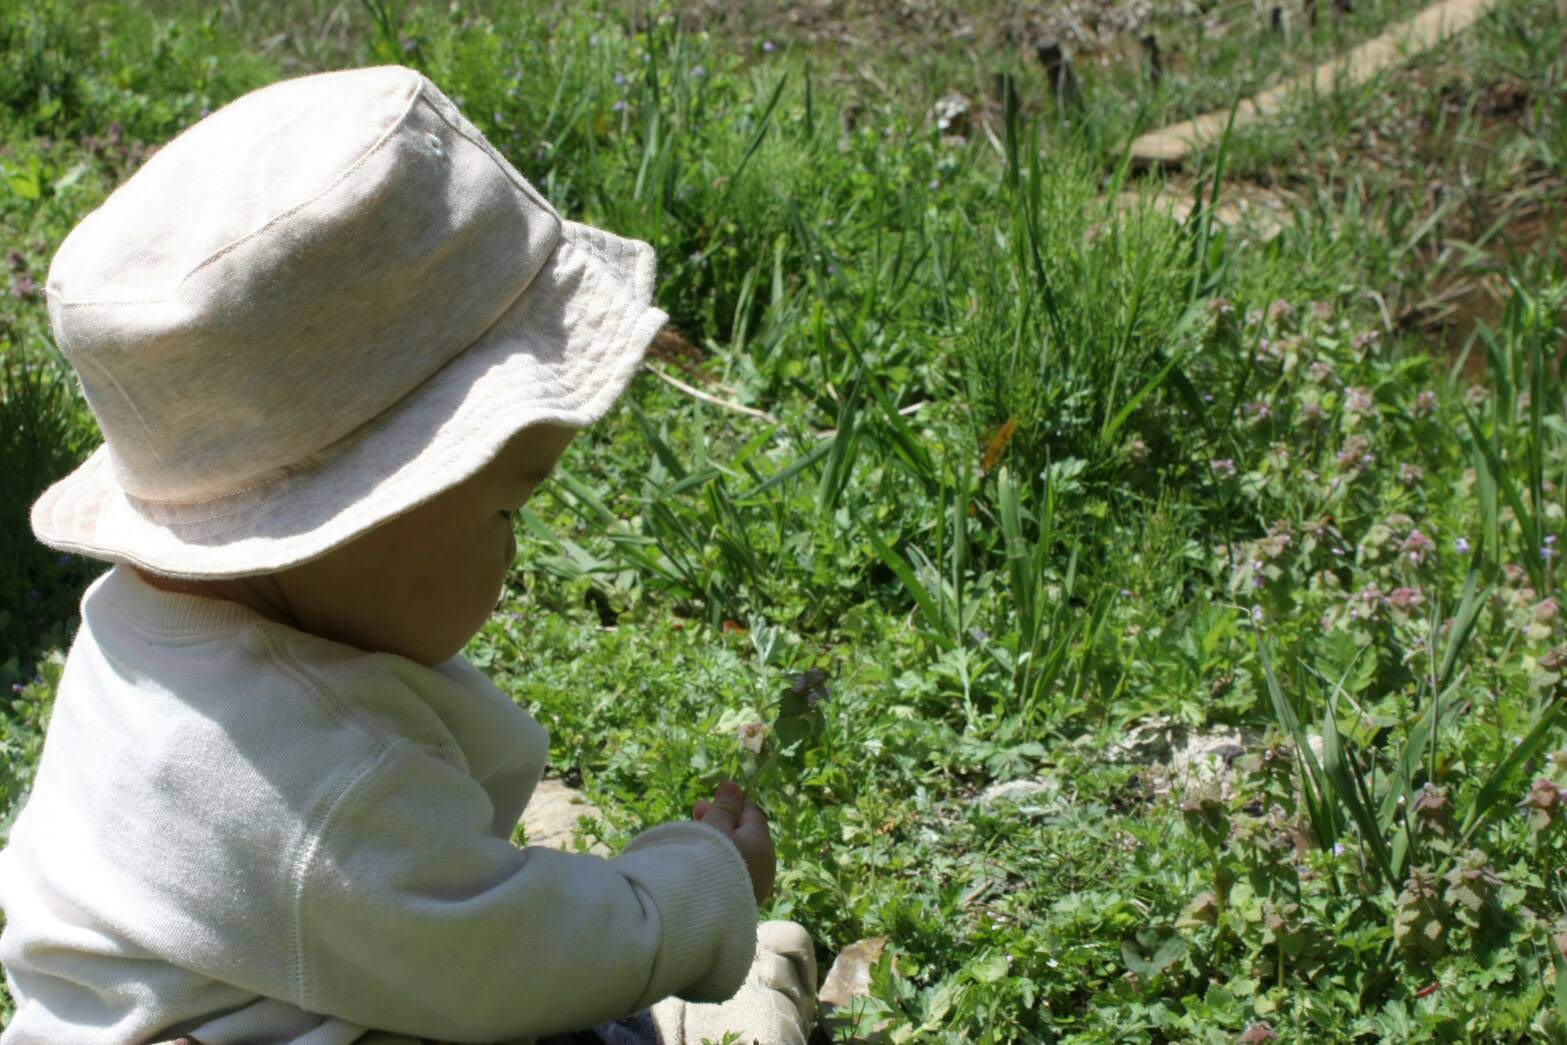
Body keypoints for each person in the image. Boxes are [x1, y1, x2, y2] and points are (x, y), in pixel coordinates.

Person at [0, 65, 817, 1044]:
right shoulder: (332, 784)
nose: (516, 555)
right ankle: (719, 1016)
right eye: (506, 511)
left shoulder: (140, 632)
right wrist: (691, 898)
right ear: (353, 518)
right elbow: (511, 963)